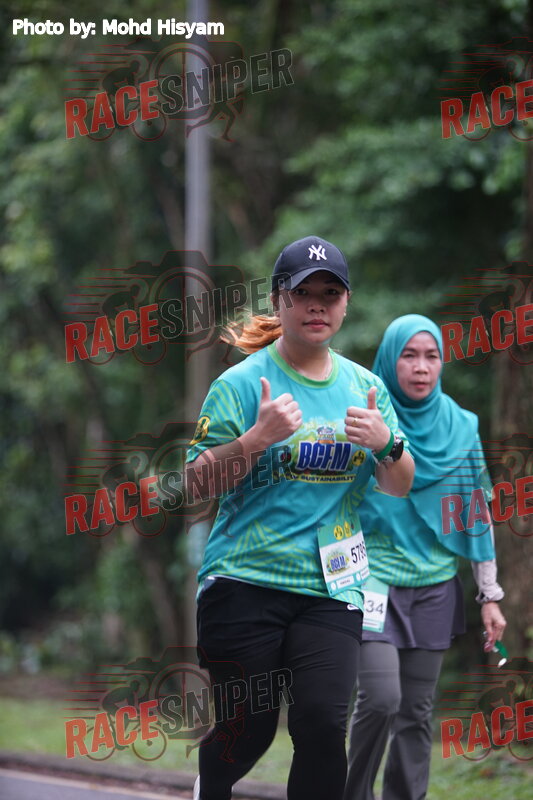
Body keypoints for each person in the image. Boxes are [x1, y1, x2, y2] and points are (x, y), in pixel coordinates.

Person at [185, 236, 415, 800]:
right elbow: (195, 483)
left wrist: (386, 444)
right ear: (278, 300)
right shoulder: (241, 384)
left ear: (346, 303)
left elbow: (399, 483)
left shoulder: (365, 388)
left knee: (321, 725)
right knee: (250, 729)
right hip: (245, 580)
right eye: (303, 293)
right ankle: (210, 785)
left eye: (330, 294)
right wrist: (256, 439)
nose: (317, 305)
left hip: (331, 588)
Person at [344, 314, 506, 800]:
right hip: (373, 581)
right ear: (389, 362)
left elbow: (477, 513)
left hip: (435, 586)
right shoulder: (369, 419)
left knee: (416, 712)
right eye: (409, 356)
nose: (421, 367)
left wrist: (490, 595)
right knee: (381, 699)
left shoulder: (462, 427)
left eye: (431, 356)